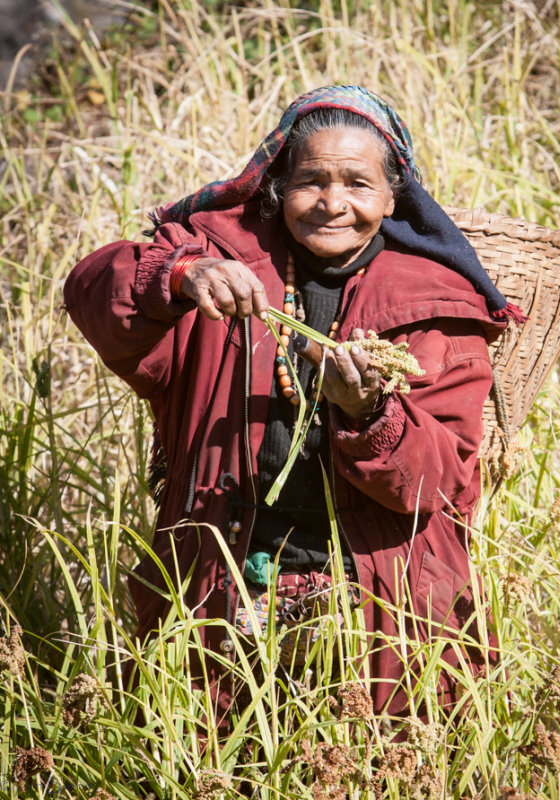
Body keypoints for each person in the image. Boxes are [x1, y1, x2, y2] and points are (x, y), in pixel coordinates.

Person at [64, 85, 522, 725]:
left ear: (394, 197)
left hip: (379, 602)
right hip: (221, 580)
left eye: (359, 185)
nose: (334, 204)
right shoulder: (217, 261)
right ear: (278, 188)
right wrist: (176, 277)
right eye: (312, 181)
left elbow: (443, 483)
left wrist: (371, 416)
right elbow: (91, 288)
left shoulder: (436, 306)